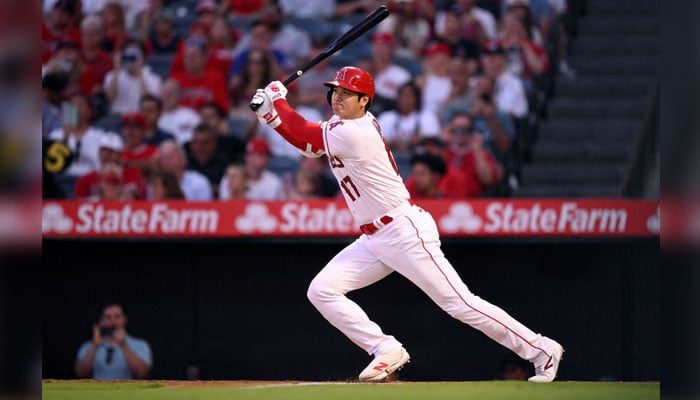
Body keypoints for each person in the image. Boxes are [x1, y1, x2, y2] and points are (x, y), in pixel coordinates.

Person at [249, 66, 563, 382]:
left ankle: (542, 349)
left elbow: (305, 133)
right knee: (322, 290)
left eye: (347, 93)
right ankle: (385, 349)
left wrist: (278, 100)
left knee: (461, 304)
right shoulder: (342, 126)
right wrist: (270, 117)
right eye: (336, 91)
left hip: (403, 230)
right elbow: (310, 147)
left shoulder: (356, 131)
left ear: (364, 101)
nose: (338, 97)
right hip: (374, 238)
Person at [75, 302, 152, 380]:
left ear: (125, 319)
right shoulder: (89, 346)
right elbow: (80, 373)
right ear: (101, 320)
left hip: (126, 390)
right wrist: (95, 346)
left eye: (117, 317)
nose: (113, 321)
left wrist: (123, 345)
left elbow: (142, 373)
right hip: (98, 390)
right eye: (108, 317)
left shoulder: (140, 344)